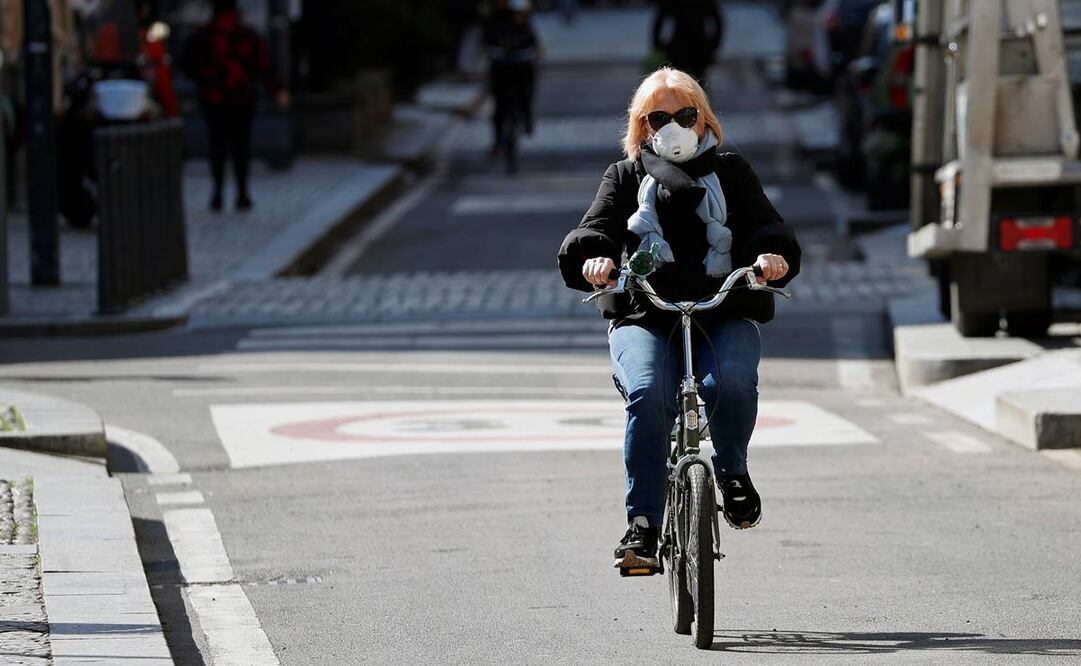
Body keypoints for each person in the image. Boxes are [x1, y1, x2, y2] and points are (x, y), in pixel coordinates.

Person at [556, 68, 800, 569]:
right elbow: (595, 228)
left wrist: (771, 257)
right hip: (646, 313)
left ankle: (731, 471)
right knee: (648, 395)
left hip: (723, 309)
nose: (673, 125)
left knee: (732, 383)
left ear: (702, 117)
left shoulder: (732, 171)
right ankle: (642, 525)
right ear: (642, 126)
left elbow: (768, 226)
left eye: (684, 114)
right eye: (659, 117)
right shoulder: (624, 177)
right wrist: (595, 260)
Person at [182, 0, 289, 212]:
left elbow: (187, 64)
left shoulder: (204, 36)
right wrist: (277, 90)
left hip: (214, 99)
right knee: (241, 146)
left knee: (217, 145)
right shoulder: (246, 35)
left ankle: (218, 192)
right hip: (241, 99)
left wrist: (205, 81)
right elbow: (264, 66)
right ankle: (242, 193)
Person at [482, 0, 538, 155]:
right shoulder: (493, 16)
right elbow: (487, 38)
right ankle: (498, 141)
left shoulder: (521, 11)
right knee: (499, 103)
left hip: (520, 62)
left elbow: (531, 39)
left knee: (527, 87)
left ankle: (526, 115)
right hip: (500, 64)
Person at [652, 0, 724, 85]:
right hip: (697, 46)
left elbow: (659, 20)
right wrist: (713, 45)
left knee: (678, 83)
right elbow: (717, 21)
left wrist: (659, 45)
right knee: (697, 83)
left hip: (680, 47)